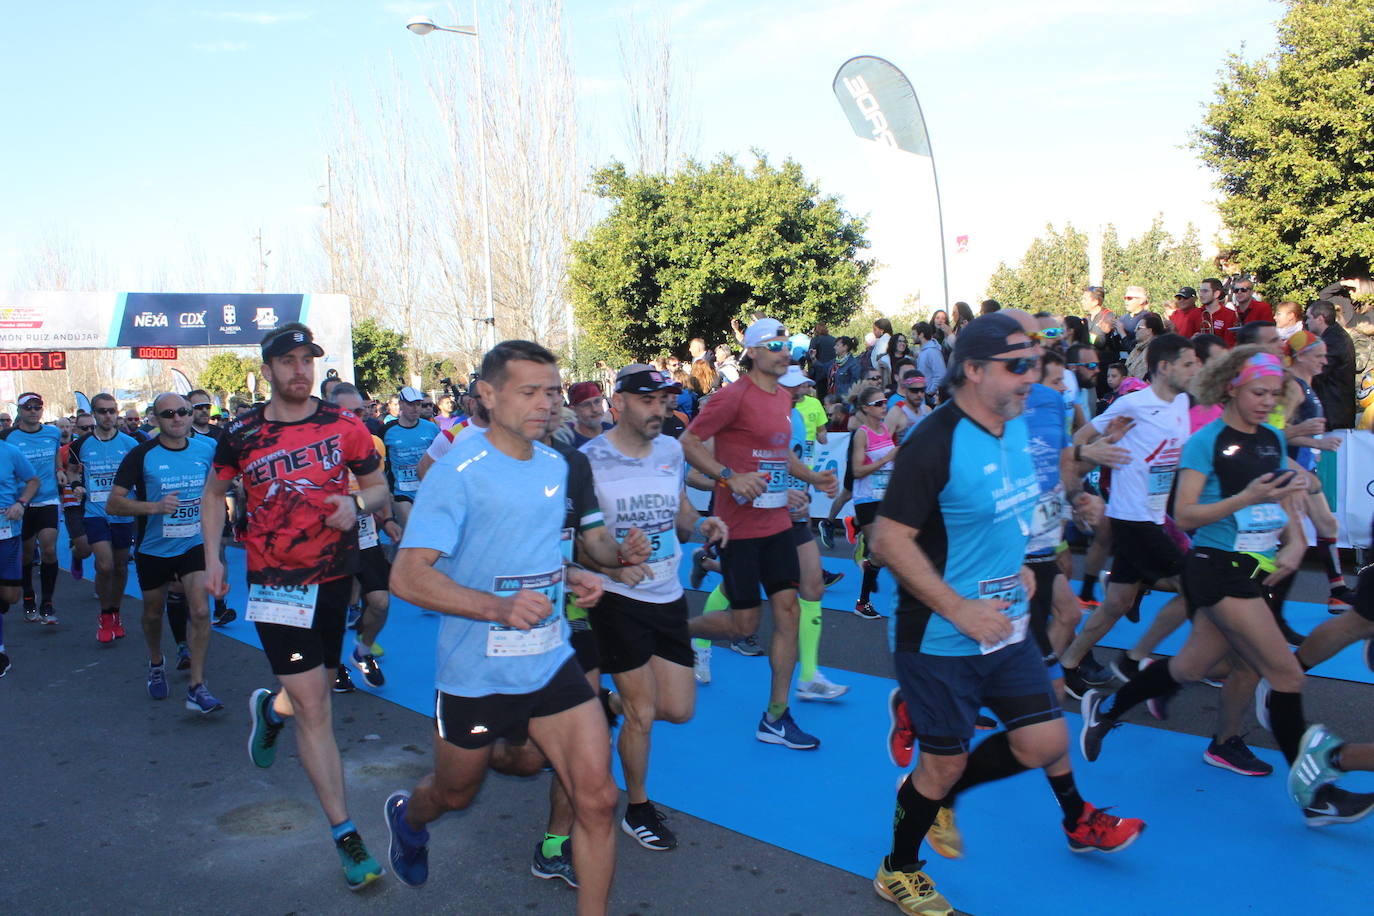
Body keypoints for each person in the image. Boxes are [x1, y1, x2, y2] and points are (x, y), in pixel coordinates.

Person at [870, 313, 1145, 916]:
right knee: (943, 766)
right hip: (940, 634)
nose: (1033, 377)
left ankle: (934, 790)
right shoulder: (934, 442)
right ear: (972, 371)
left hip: (1009, 623)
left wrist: (1025, 560)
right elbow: (887, 540)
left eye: (1036, 362)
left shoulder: (1014, 426)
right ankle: (899, 868)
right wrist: (959, 607)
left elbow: (1013, 505)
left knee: (1044, 739)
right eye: (1017, 366)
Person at [1079, 347, 1374, 825]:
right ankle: (1317, 793)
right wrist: (1244, 497)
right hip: (1216, 568)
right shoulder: (1206, 442)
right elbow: (1185, 515)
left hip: (1252, 567)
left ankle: (1107, 708)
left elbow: (1283, 502)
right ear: (1232, 387)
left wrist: (1297, 539)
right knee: (1286, 675)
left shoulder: (1271, 440)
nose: (1265, 402)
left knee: (1190, 667)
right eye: (1257, 392)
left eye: (1274, 395)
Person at [383, 340, 619, 910]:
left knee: (598, 799)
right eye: (530, 392)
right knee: (455, 793)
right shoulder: (458, 470)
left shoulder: (556, 464)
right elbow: (408, 578)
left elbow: (523, 555)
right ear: (487, 395)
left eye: (553, 391)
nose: (547, 404)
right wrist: (497, 608)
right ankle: (407, 817)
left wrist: (570, 576)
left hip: (548, 656)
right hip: (476, 672)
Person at [203, 323, 390, 890]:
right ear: (267, 370)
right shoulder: (240, 434)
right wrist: (212, 558)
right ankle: (346, 833)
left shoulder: (345, 425)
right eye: (286, 360)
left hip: (336, 578)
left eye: (306, 359)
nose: (298, 370)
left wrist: (354, 503)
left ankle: (270, 711)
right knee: (317, 708)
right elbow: (214, 495)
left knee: (311, 689)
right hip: (276, 584)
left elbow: (379, 489)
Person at [580, 365, 728, 852]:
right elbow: (577, 542)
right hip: (618, 599)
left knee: (679, 709)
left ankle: (608, 703)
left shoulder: (670, 449)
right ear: (617, 402)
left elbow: (679, 506)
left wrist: (701, 524)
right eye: (647, 400)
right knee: (643, 714)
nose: (659, 409)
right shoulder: (589, 460)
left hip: (668, 593)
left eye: (664, 400)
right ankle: (638, 808)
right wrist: (616, 563)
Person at [679, 318, 837, 750]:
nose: (782, 350)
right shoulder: (732, 398)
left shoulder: (784, 398)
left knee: (787, 613)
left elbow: (778, 452)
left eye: (785, 343)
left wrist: (812, 480)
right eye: (772, 345)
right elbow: (690, 443)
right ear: (751, 351)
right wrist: (729, 477)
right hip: (740, 529)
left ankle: (776, 716)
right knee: (742, 624)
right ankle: (674, 631)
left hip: (777, 525)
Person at [1059, 335, 1201, 700]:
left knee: (1117, 605)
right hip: (1130, 518)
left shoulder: (1184, 402)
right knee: (1198, 585)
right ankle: (1136, 660)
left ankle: (1070, 664)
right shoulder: (1135, 404)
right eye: (1188, 363)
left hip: (1154, 517)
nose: (1195, 369)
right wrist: (1095, 451)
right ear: (1164, 368)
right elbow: (1083, 436)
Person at [107, 393, 223, 713]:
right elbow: (114, 503)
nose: (178, 418)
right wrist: (154, 507)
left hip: (193, 543)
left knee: (200, 612)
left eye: (183, 412)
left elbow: (217, 490)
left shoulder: (207, 448)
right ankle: (156, 660)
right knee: (152, 613)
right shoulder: (141, 455)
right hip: (153, 548)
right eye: (169, 413)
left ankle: (197, 686)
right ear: (155, 419)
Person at [327, 384, 400, 690]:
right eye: (350, 412)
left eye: (361, 411)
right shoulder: (318, 447)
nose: (358, 417)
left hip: (366, 536)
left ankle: (363, 650)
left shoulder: (372, 445)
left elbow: (378, 486)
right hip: (328, 542)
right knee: (331, 612)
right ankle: (333, 666)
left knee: (381, 602)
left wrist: (388, 520)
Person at [1282, 331, 1354, 611]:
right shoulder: (1291, 387)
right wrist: (1314, 442)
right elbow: (1272, 432)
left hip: (1304, 468)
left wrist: (1314, 447)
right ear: (1301, 356)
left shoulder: (1307, 384)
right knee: (1290, 542)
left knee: (1326, 524)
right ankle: (1259, 599)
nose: (1325, 361)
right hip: (1287, 470)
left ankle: (1337, 590)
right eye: (1319, 355)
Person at [69, 393, 140, 640]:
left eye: (111, 411)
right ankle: (105, 614)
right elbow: (71, 470)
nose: (107, 416)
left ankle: (115, 612)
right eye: (102, 411)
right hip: (95, 512)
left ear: (116, 412)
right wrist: (75, 484)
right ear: (94, 414)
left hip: (123, 511)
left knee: (120, 566)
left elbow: (140, 475)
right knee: (105, 564)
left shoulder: (131, 444)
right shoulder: (81, 444)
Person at [0, 393, 65, 623]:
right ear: (19, 410)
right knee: (27, 554)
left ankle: (47, 603)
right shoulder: (8, 437)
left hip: (47, 499)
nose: (33, 411)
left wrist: (59, 470)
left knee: (49, 550)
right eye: (28, 407)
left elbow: (56, 456)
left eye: (38, 407)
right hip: (19, 504)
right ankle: (28, 595)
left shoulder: (53, 433)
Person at [849, 385, 897, 620]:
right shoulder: (862, 434)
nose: (883, 406)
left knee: (883, 552)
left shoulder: (886, 428)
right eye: (878, 403)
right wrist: (887, 458)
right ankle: (862, 602)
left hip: (886, 497)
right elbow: (857, 471)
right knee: (882, 549)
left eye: (885, 402)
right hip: (867, 499)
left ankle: (869, 569)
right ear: (866, 408)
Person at [0, 436, 40, 676]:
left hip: (7, 531)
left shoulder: (10, 451)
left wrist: (21, 503)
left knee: (10, 596)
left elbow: (32, 481)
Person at [379, 386, 439, 529]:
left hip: (427, 490)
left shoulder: (431, 428)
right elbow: (380, 464)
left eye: (418, 404)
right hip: (401, 492)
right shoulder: (387, 431)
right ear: (401, 404)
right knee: (412, 532)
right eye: (411, 404)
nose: (415, 409)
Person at [1306, 299, 1356, 429]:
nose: (1306, 322)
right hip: (1334, 412)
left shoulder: (1333, 340)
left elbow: (1317, 374)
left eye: (1309, 318)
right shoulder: (1334, 337)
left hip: (1334, 415)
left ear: (1320, 319)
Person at [567, 381, 614, 447]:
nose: (594, 409)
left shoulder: (614, 434)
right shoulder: (567, 441)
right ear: (573, 410)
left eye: (597, 402)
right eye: (586, 404)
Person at [1199, 278, 1240, 346]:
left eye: (1205, 291)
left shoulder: (1230, 315)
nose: (1201, 294)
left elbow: (1230, 343)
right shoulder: (1194, 313)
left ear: (1216, 294)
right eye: (1200, 291)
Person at [1125, 312, 1164, 380]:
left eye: (1139, 328)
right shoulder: (1138, 349)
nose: (1135, 330)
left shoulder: (1156, 350)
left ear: (1149, 331)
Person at [914, 322, 946, 394]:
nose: (912, 337)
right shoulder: (923, 352)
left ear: (921, 335)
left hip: (931, 398)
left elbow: (940, 375)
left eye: (914, 334)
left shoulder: (932, 351)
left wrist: (930, 392)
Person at [808, 323, 837, 398]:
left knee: (821, 396)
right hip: (832, 371)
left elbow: (809, 355)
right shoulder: (834, 339)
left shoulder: (816, 340)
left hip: (820, 372)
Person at [871, 318, 895, 389]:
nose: (873, 332)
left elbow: (880, 360)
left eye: (875, 329)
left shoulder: (884, 341)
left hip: (883, 374)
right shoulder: (886, 340)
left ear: (881, 331)